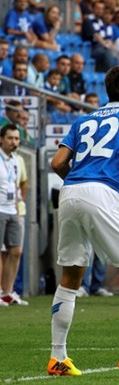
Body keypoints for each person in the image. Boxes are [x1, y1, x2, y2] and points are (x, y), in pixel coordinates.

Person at [48, 65, 119, 378]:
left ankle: (58, 357)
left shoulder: (83, 119)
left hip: (69, 190)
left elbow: (57, 162)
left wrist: (78, 183)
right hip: (102, 191)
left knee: (70, 276)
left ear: (107, 91)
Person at [0, 124, 26, 306]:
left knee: (16, 251)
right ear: (1, 139)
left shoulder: (17, 160)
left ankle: (8, 292)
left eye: (16, 139)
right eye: (10, 138)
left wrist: (18, 205)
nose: (14, 142)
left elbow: (19, 184)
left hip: (13, 209)